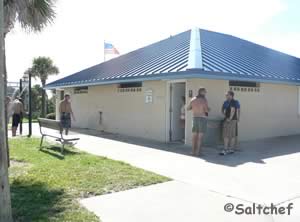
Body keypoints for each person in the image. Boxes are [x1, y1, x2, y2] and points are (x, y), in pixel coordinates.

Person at [187, 88, 209, 156]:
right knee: (200, 137)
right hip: (202, 118)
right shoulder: (204, 100)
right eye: (205, 92)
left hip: (195, 118)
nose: (205, 93)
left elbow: (188, 108)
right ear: (201, 92)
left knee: (194, 136)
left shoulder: (193, 99)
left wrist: (194, 108)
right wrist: (209, 109)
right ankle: (198, 152)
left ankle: (193, 151)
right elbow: (206, 110)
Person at [220, 91, 238, 155]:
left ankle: (226, 150)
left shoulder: (233, 102)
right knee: (230, 135)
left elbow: (233, 110)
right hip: (230, 120)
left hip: (230, 120)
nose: (226, 96)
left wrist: (229, 119)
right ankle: (231, 149)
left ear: (231, 95)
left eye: (227, 95)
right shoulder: (225, 102)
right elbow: (222, 110)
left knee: (227, 135)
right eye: (226, 95)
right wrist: (225, 116)